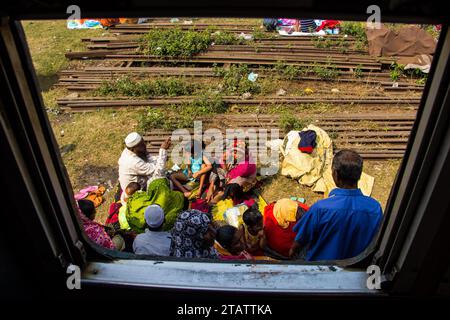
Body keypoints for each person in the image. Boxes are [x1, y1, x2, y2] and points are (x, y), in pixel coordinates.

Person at [289, 150, 383, 261]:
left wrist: (292, 253)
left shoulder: (320, 208)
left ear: (335, 174)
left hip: (322, 269)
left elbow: (299, 241)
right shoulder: (375, 208)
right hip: (358, 266)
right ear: (359, 175)